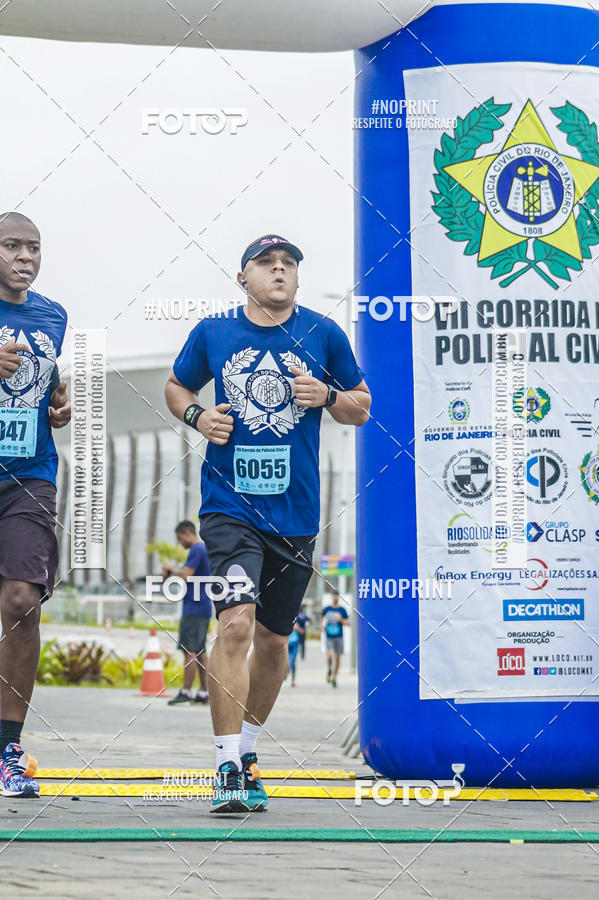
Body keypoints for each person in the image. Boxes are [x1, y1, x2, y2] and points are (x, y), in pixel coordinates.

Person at [165, 233, 370, 813]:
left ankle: (250, 750)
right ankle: (226, 765)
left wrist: (327, 395)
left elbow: (361, 407)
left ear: (297, 278)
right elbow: (176, 385)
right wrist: (197, 416)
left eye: (288, 264)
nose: (279, 270)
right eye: (266, 263)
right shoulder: (214, 332)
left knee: (275, 642)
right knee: (236, 624)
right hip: (229, 507)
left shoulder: (323, 334)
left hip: (295, 514)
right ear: (243, 278)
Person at [0, 212, 70, 798]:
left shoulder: (53, 316)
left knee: (22, 601)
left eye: (34, 248)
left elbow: (45, 388)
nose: (26, 257)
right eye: (12, 246)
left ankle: (8, 749)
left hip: (29, 476)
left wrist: (57, 405)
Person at [163, 521, 212, 706]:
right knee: (200, 651)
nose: (179, 542)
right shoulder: (202, 549)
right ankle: (204, 692)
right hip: (202, 607)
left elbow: (185, 575)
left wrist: (171, 569)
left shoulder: (196, 550)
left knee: (189, 650)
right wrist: (170, 573)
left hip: (194, 608)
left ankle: (186, 692)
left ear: (186, 533)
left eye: (179, 538)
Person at [322, 591, 350, 688]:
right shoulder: (327, 609)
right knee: (330, 655)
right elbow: (322, 616)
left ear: (339, 597)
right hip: (329, 636)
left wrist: (340, 619)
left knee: (338, 659)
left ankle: (334, 677)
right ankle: (330, 669)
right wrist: (323, 625)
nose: (335, 598)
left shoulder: (342, 610)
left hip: (339, 637)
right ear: (332, 597)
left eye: (337, 596)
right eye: (334, 596)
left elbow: (348, 623)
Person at [287, 623, 302, 687]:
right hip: (287, 643)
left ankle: (293, 680)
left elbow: (301, 631)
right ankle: (286, 671)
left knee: (292, 661)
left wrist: (297, 628)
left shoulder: (296, 622)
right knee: (286, 661)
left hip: (294, 643)